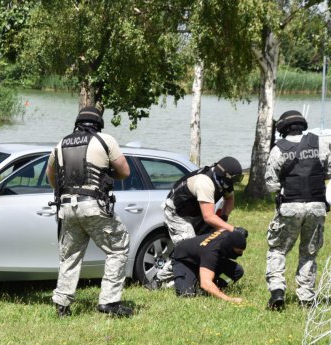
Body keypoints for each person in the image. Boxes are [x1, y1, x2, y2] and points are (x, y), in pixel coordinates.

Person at [46, 106, 133, 317]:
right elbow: (125, 171)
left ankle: (62, 305)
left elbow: (51, 176)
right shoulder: (105, 140)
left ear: (77, 123)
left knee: (70, 256)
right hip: (93, 205)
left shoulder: (61, 144)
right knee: (118, 248)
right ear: (98, 124)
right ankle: (110, 302)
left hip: (66, 208)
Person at [265, 110, 331, 310]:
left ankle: (277, 292)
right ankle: (306, 298)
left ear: (283, 129)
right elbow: (330, 171)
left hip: (290, 207)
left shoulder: (279, 149)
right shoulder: (318, 143)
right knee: (309, 252)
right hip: (316, 206)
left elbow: (271, 184)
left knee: (278, 249)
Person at [152, 156, 247, 287]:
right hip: (178, 213)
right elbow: (208, 217)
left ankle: (206, 277)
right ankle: (158, 280)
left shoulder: (224, 182)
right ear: (225, 175)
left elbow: (229, 200)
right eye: (234, 179)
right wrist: (233, 230)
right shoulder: (205, 183)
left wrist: (223, 219)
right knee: (188, 250)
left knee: (210, 244)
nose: (235, 182)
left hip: (196, 214)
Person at [170, 229, 247, 303]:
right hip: (185, 260)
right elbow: (205, 283)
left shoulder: (226, 235)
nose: (240, 255)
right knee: (186, 294)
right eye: (238, 252)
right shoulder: (211, 253)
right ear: (229, 247)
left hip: (202, 257)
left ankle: (216, 286)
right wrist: (229, 299)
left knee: (236, 272)